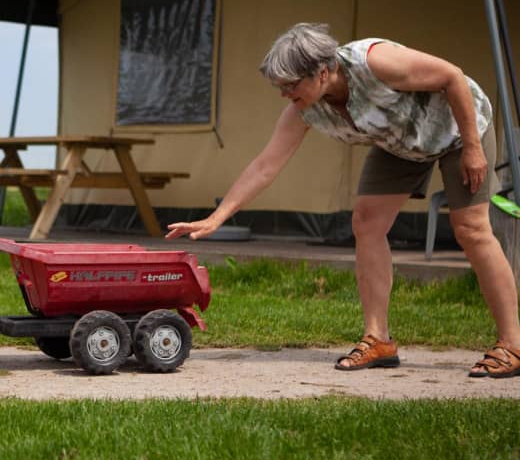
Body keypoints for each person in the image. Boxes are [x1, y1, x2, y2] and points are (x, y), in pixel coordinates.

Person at [166, 23, 520, 378]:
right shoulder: (305, 108)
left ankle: (512, 343)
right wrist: (217, 217)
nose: (284, 94)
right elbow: (265, 166)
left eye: (291, 85)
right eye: (280, 86)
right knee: (366, 223)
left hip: (459, 130)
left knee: (471, 229)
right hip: (400, 142)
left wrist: (473, 147)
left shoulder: (375, 62)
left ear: (322, 72)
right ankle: (378, 338)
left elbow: (452, 77)